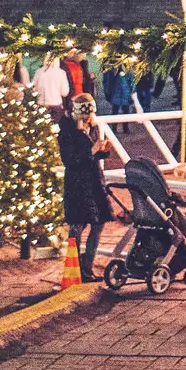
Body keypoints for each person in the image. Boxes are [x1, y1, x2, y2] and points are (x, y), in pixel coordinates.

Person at [56, 94, 111, 282]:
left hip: (94, 181)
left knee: (98, 223)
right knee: (77, 225)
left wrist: (103, 151)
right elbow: (69, 160)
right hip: (78, 184)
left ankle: (87, 266)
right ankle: (76, 268)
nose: (89, 119)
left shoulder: (93, 127)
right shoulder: (67, 132)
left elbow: (94, 155)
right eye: (86, 115)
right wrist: (91, 151)